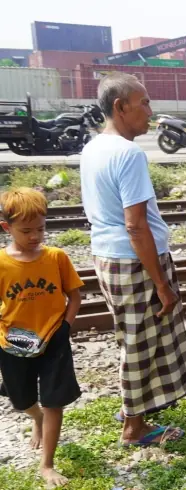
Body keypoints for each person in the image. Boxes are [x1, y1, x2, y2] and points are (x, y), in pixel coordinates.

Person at [79, 72, 186, 444]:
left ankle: (137, 405)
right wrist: (161, 283)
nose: (150, 110)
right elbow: (136, 226)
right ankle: (134, 426)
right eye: (143, 102)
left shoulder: (94, 146)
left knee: (132, 337)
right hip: (134, 261)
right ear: (120, 106)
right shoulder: (128, 153)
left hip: (107, 257)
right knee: (141, 342)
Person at [0, 188, 83, 489]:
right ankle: (35, 418)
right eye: (26, 231)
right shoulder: (2, 263)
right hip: (13, 343)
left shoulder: (56, 257)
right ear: (6, 227)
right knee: (19, 398)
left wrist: (66, 327)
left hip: (53, 340)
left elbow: (74, 295)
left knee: (54, 401)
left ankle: (47, 464)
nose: (35, 236)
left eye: (40, 229)